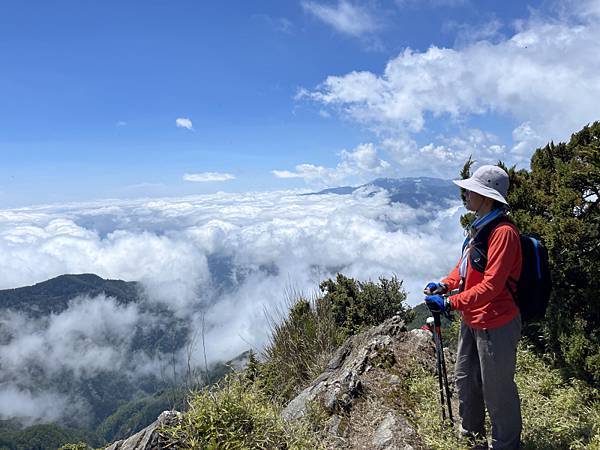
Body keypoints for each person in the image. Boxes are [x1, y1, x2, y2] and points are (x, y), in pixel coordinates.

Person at [424, 165, 523, 450]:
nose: (465, 194)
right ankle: (472, 436)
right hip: (472, 318)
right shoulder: (478, 227)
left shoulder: (503, 233)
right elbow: (465, 269)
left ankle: (505, 445)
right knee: (465, 379)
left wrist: (450, 302)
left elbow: (492, 286)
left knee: (498, 390)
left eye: (472, 190)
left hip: (497, 321)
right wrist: (445, 285)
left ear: (487, 196)